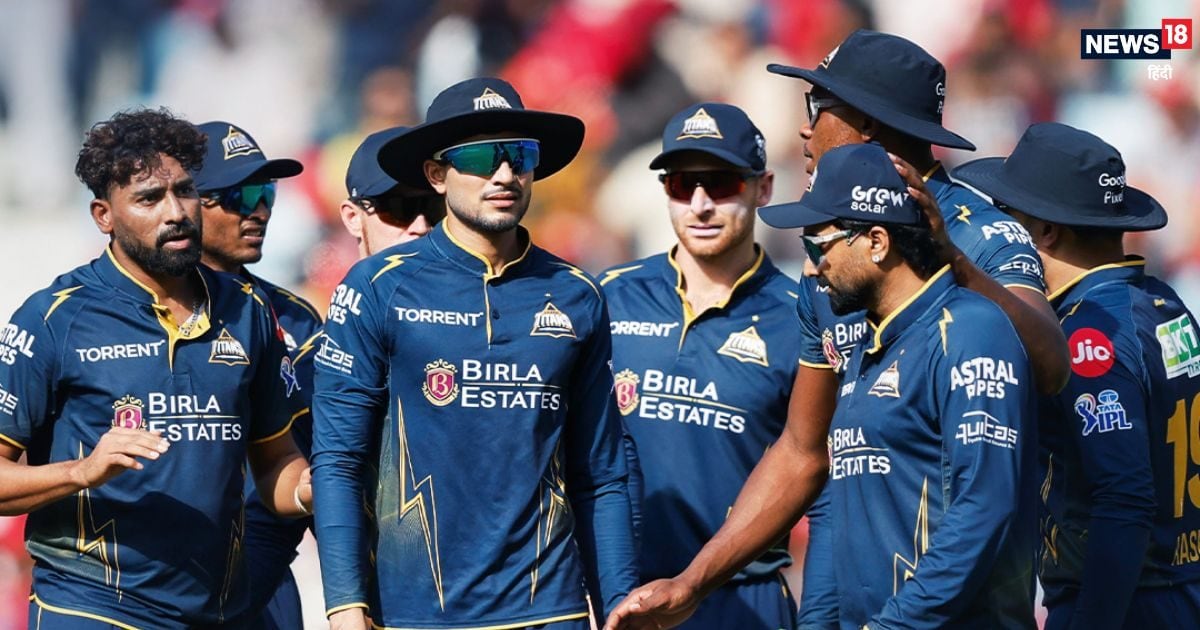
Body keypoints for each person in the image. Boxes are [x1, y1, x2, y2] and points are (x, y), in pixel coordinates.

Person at [605, 29, 1068, 629]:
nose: (804, 130)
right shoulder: (830, 248)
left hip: (958, 608)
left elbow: (1051, 367)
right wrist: (693, 584)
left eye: (817, 107)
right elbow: (806, 451)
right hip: (857, 587)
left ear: (866, 126)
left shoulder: (980, 232)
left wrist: (950, 259)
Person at [312, 77, 637, 630]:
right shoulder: (377, 286)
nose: (504, 174)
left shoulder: (577, 293)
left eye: (519, 155)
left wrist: (618, 604)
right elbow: (339, 458)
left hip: (549, 611)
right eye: (481, 158)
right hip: (417, 614)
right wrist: (345, 605)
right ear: (436, 175)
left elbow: (601, 474)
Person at [0, 108, 312, 628]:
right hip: (90, 605)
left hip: (215, 610)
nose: (175, 212)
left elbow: (276, 464)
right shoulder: (53, 318)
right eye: (149, 199)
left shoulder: (248, 310)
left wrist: (312, 488)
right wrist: (82, 471)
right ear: (104, 215)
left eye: (184, 191)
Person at [954, 122, 1199, 630]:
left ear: (1046, 231)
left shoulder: (1085, 334)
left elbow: (1124, 499)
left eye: (1007, 216)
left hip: (1123, 603)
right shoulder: (1164, 303)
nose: (997, 232)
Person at [599, 102, 800, 629]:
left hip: (742, 600)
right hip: (620, 595)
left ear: (763, 188)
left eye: (722, 183)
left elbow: (820, 483)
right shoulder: (608, 296)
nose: (701, 204)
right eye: (683, 184)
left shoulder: (801, 317)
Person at [240, 126, 446, 629]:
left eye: (434, 208)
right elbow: (274, 520)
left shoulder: (515, 326)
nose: (420, 226)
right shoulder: (311, 358)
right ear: (353, 217)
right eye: (399, 208)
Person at [192, 121, 321, 352]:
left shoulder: (296, 319)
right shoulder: (140, 312)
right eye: (241, 196)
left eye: (267, 194)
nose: (261, 213)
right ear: (187, 201)